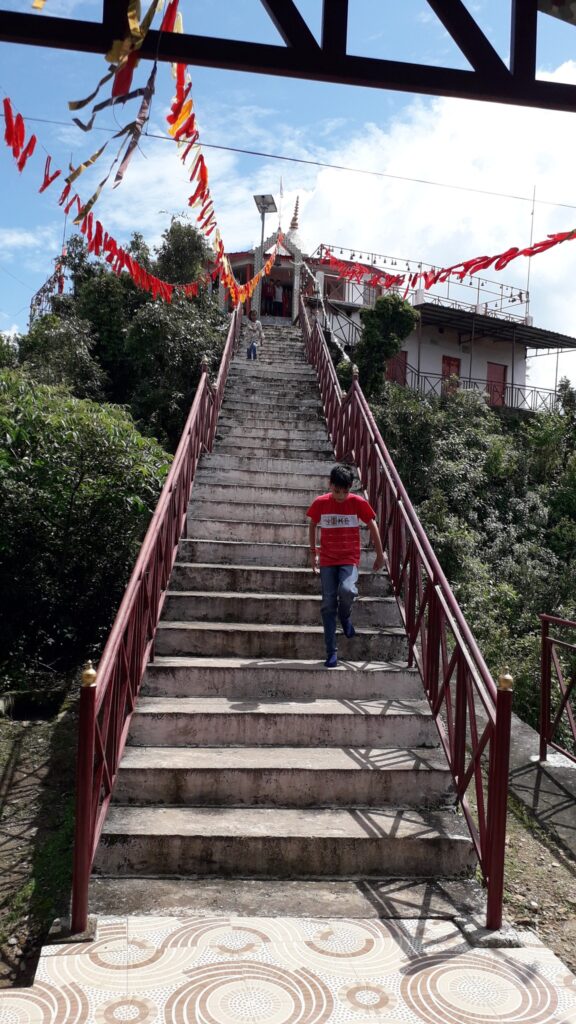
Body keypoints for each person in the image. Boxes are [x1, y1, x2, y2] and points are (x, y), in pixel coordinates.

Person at [306, 464, 385, 668]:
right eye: (337, 491)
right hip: (327, 561)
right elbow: (313, 523)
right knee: (327, 605)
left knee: (348, 590)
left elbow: (372, 523)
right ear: (330, 485)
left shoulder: (357, 502)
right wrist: (313, 552)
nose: (341, 496)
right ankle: (331, 651)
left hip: (349, 559)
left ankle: (345, 616)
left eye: (345, 491)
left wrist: (379, 554)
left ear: (350, 488)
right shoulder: (321, 503)